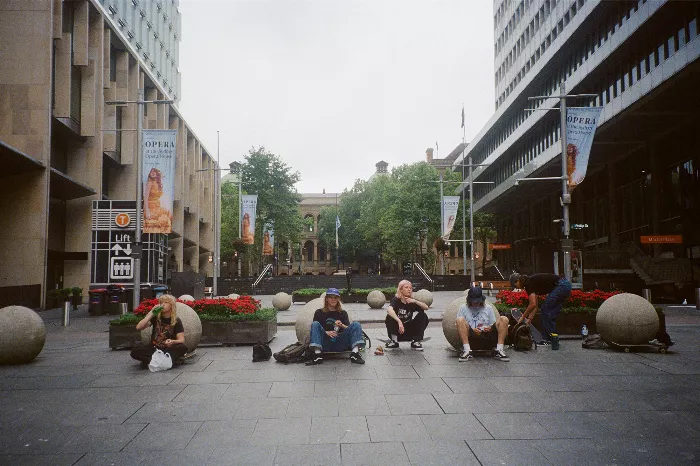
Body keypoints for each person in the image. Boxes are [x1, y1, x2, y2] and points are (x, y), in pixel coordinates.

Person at [306, 288, 365, 365]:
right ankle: (317, 355)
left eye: (335, 297)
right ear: (326, 299)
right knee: (315, 324)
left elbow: (351, 331)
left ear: (338, 299)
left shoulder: (343, 313)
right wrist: (326, 332)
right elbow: (316, 330)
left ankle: (355, 354)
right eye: (331, 297)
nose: (333, 299)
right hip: (324, 342)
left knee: (356, 324)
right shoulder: (319, 312)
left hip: (340, 342)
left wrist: (342, 325)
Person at [510, 272, 572, 345]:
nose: (516, 288)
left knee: (545, 310)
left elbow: (532, 304)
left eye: (515, 285)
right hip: (565, 285)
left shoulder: (528, 284)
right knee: (551, 314)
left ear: (518, 280)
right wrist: (529, 319)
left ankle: (546, 339)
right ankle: (553, 338)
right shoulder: (531, 282)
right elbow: (535, 305)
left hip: (561, 285)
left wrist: (523, 317)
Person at [130, 294, 188, 366]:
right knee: (135, 351)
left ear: (171, 306)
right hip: (154, 348)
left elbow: (181, 340)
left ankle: (153, 360)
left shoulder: (176, 320)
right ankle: (166, 360)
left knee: (182, 348)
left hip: (168, 348)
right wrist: (151, 314)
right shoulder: (156, 318)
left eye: (166, 302)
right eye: (161, 302)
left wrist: (172, 341)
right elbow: (139, 327)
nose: (163, 304)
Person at [455, 286, 509, 362]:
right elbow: (458, 325)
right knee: (459, 320)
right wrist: (472, 329)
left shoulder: (488, 308)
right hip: (471, 335)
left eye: (478, 301)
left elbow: (493, 324)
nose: (476, 303)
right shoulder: (463, 308)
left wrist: (489, 328)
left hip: (487, 336)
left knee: (504, 319)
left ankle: (499, 349)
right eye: (473, 301)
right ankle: (467, 350)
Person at [384, 280, 429, 350]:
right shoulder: (396, 300)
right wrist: (399, 322)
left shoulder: (411, 301)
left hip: (409, 331)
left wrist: (416, 301)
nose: (409, 289)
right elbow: (389, 309)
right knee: (390, 316)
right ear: (401, 290)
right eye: (406, 287)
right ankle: (394, 341)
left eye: (410, 288)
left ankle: (416, 341)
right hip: (397, 331)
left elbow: (426, 307)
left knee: (423, 315)